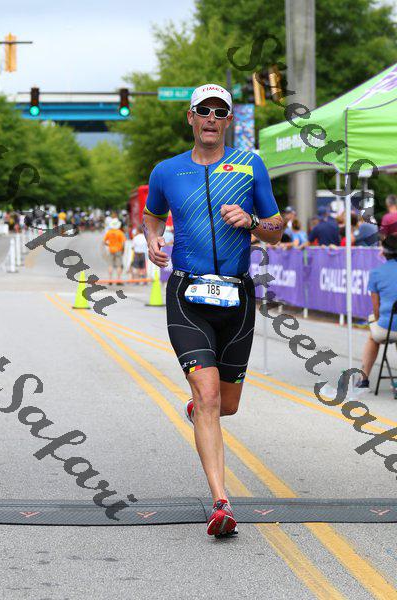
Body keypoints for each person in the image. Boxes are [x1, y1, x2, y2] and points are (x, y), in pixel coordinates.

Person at [142, 83, 282, 537]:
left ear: (228, 121)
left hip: (237, 298)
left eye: (220, 112)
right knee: (207, 397)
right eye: (203, 110)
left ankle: (201, 409)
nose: (211, 118)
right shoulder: (166, 171)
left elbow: (277, 228)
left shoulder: (249, 165)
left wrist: (253, 222)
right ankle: (222, 503)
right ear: (190, 117)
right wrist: (152, 240)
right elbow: (151, 214)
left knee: (226, 405)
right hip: (187, 296)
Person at [358, 236, 397, 388]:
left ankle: (363, 379)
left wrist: (379, 319)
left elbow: (376, 308)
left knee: (373, 337)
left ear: (384, 252)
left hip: (387, 326)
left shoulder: (376, 273)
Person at [102, 217, 126, 284]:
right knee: (119, 265)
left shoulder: (109, 232)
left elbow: (104, 241)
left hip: (110, 250)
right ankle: (118, 280)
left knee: (110, 265)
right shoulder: (120, 232)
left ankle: (110, 280)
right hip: (118, 250)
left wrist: (108, 245)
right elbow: (123, 243)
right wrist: (123, 250)